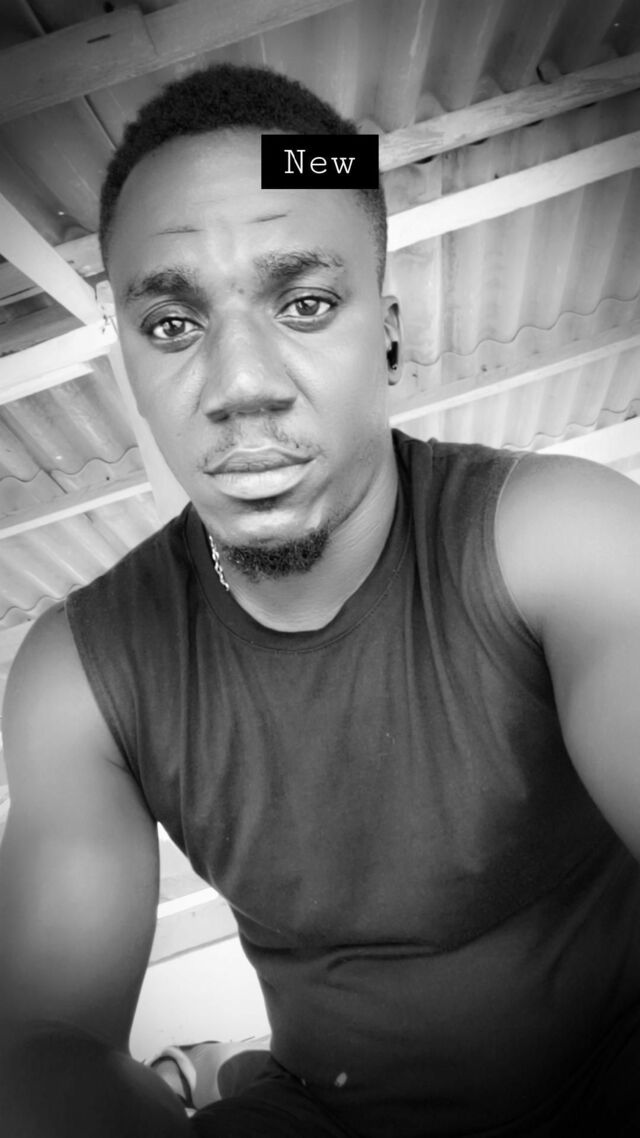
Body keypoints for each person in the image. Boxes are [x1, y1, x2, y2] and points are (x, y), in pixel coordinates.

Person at [1, 61, 640, 1138]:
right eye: (172, 324)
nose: (241, 384)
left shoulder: (557, 533)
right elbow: (34, 1056)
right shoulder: (84, 674)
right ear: (129, 367)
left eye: (304, 303)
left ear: (386, 329)